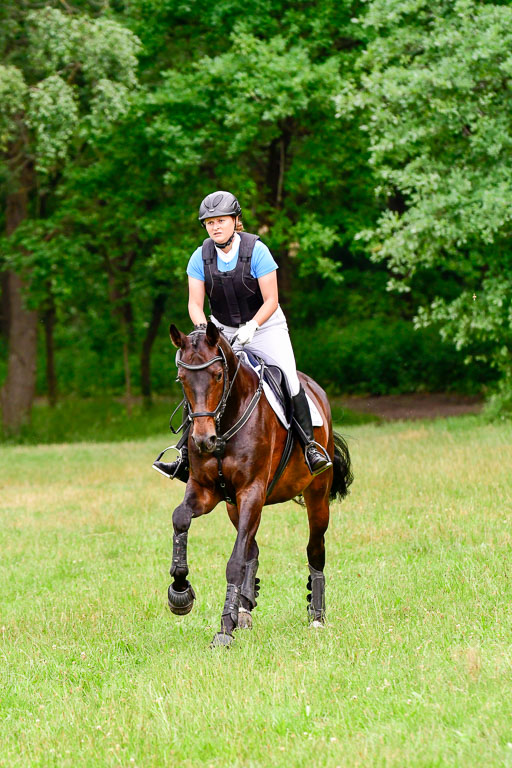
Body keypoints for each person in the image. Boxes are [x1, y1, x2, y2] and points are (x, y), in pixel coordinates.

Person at [153, 190, 332, 481]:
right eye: (209, 222)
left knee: (287, 375)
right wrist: (203, 331)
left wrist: (252, 326)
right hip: (219, 330)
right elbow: (194, 305)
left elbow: (271, 299)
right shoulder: (199, 257)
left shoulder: (256, 250)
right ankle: (183, 456)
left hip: (264, 325)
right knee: (199, 380)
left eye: (221, 220)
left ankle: (311, 447)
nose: (215, 227)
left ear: (236, 221)